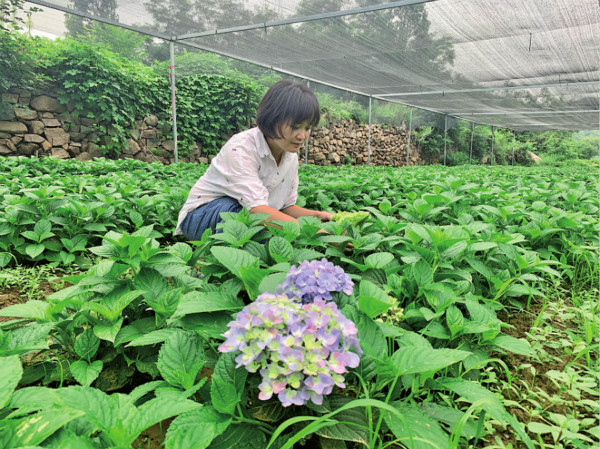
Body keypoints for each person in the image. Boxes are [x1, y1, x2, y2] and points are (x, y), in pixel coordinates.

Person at [175, 79, 336, 241]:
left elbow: (286, 207)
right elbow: (256, 211)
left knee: (268, 221)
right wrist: (319, 236)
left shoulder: (290, 156)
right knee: (250, 216)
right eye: (295, 127)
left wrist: (318, 216)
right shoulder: (241, 148)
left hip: (247, 211)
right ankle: (219, 257)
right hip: (200, 218)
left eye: (307, 128)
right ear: (273, 119)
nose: (302, 136)